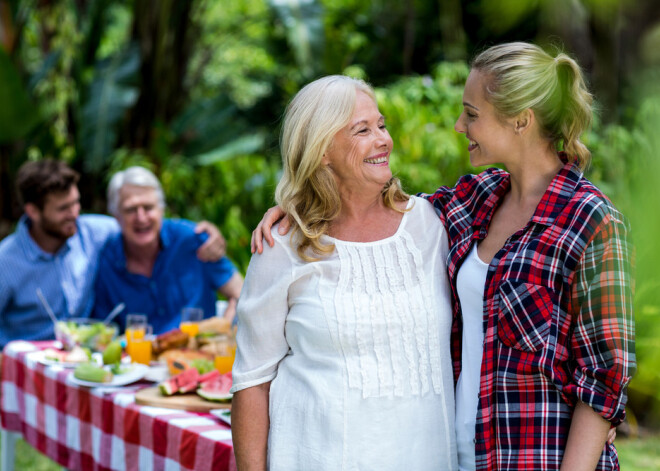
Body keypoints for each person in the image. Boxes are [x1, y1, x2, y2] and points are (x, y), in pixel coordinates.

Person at [252, 42, 635, 470]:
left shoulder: (592, 221)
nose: (458, 125)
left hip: (536, 459)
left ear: (521, 121)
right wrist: (300, 204)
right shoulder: (475, 201)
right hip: (461, 457)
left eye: (472, 114)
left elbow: (604, 380)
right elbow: (371, 211)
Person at [231, 75, 457, 470]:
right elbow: (252, 380)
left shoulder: (432, 225)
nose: (383, 139)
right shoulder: (282, 245)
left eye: (382, 125)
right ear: (321, 151)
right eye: (362, 130)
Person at [0, 159, 226, 349]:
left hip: (79, 360)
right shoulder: (6, 262)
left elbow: (145, 224)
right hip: (21, 365)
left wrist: (206, 233)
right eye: (63, 209)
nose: (74, 214)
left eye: (76, 203)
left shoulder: (92, 232)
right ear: (33, 212)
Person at [91, 166, 243, 334]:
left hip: (199, 356)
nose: (141, 218)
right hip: (139, 359)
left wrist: (223, 332)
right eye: (131, 210)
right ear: (116, 216)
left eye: (148, 207)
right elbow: (103, 330)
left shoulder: (192, 240)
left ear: (161, 210)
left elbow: (241, 294)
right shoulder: (108, 262)